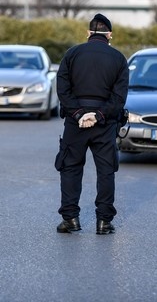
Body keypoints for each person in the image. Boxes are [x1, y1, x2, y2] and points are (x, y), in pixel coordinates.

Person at [55, 13, 129, 235]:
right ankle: (103, 222)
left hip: (74, 122)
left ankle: (70, 219)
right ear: (110, 35)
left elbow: (62, 90)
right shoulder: (118, 59)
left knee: (70, 169)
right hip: (104, 124)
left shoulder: (72, 54)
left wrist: (78, 114)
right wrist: (97, 116)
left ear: (88, 33)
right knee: (106, 171)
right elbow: (119, 98)